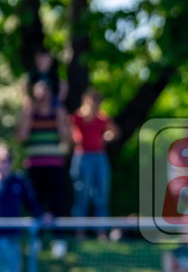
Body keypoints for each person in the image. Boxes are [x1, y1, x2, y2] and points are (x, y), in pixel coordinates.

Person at [18, 79, 71, 257]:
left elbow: (66, 137)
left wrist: (59, 111)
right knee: (35, 202)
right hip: (34, 165)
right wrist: (28, 111)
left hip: (54, 164)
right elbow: (21, 136)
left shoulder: (58, 111)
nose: (42, 98)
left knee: (56, 200)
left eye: (45, 94)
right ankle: (36, 239)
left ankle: (59, 239)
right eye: (38, 95)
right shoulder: (30, 113)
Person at [69, 87, 118, 238]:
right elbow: (72, 136)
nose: (95, 103)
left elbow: (114, 132)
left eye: (97, 100)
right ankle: (80, 232)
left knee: (101, 193)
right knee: (81, 194)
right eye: (92, 99)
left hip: (99, 157)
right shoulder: (77, 117)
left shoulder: (102, 117)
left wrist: (105, 137)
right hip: (82, 156)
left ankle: (101, 232)